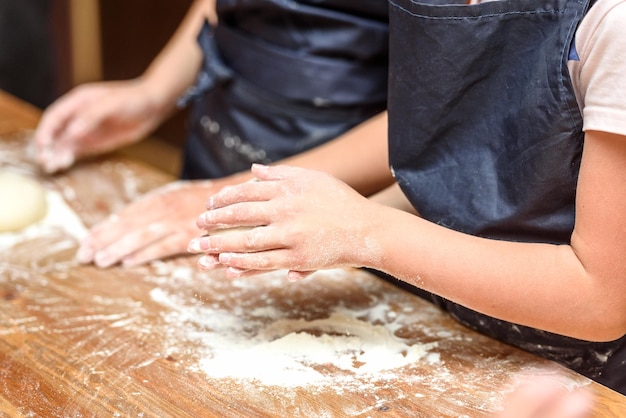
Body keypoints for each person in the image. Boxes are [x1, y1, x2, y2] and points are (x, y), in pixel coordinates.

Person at [189, 0, 626, 395]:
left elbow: (600, 298)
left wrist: (364, 231)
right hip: (457, 342)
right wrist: (317, 223)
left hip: (578, 381)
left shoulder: (612, 24)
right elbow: (462, 165)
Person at [33, 0, 393, 267]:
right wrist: (155, 90)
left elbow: (433, 123)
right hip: (221, 130)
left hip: (352, 176)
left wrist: (239, 199)